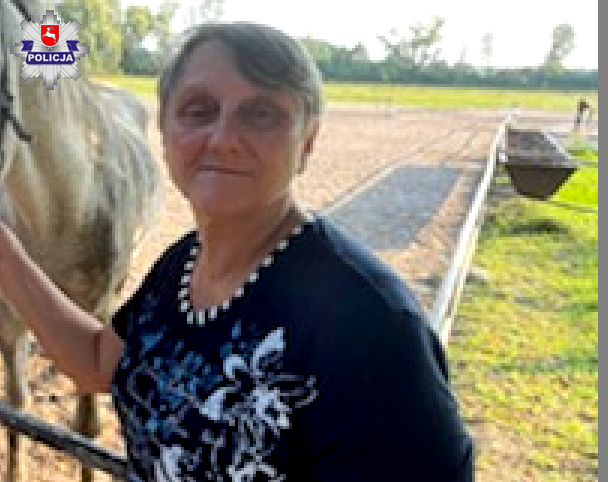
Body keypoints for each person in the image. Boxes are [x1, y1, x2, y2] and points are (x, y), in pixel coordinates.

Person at [0, 22, 473, 481]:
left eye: (260, 113)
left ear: (307, 141)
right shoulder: (181, 267)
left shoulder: (375, 330)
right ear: (164, 131)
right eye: (198, 110)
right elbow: (100, 363)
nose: (223, 140)